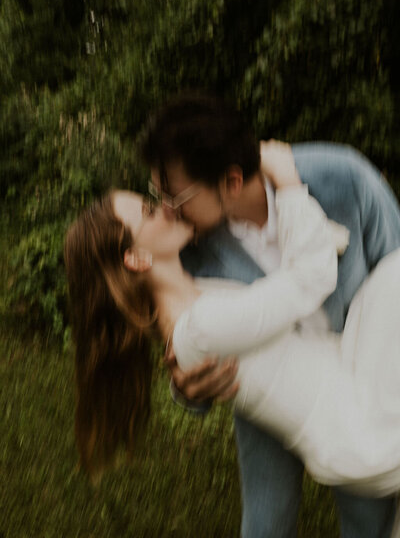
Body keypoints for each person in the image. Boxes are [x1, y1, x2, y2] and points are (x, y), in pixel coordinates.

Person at [64, 145, 400, 537]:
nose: (168, 208)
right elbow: (306, 280)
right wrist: (288, 183)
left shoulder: (198, 292)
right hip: (358, 436)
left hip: (357, 395)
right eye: (150, 211)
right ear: (136, 258)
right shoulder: (201, 327)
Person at [141, 93, 400, 538]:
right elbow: (189, 333)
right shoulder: (191, 247)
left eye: (175, 194)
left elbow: (394, 269)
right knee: (265, 522)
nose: (166, 208)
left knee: (367, 520)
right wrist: (187, 391)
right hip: (273, 403)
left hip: (360, 386)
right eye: (157, 193)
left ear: (233, 181)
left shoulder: (343, 177)